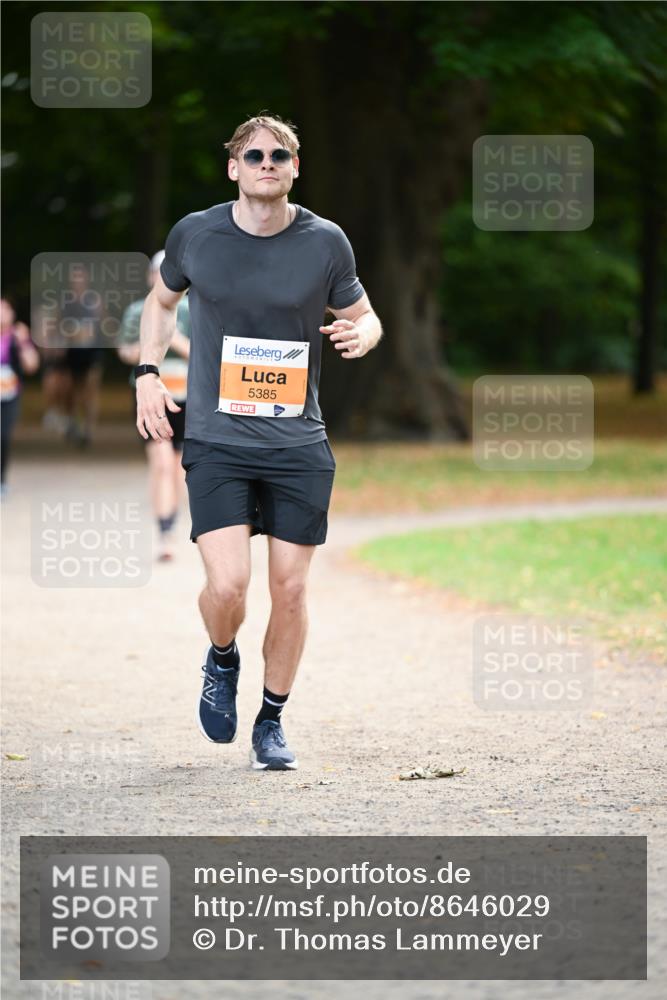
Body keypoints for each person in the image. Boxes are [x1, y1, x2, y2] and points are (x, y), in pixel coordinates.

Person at [135, 114, 382, 770]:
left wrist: (366, 335)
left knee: (292, 589)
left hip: (297, 441)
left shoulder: (325, 242)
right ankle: (221, 659)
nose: (266, 163)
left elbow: (363, 314)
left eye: (279, 155)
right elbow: (161, 305)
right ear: (233, 167)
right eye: (254, 154)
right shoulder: (196, 234)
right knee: (227, 588)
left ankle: (270, 722)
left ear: (294, 167)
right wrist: (146, 374)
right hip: (218, 438)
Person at [118, 251, 191, 561]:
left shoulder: (196, 310)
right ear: (150, 277)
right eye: (157, 273)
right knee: (161, 464)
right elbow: (125, 351)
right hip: (150, 399)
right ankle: (164, 530)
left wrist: (172, 338)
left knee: (176, 470)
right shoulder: (139, 310)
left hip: (187, 399)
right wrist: (148, 347)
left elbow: (206, 357)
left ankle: (171, 522)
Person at [1, 297, 40, 496]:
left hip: (10, 394)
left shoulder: (18, 337)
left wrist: (24, 341)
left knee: (3, 436)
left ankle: (1, 480)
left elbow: (32, 365)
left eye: (5, 308)